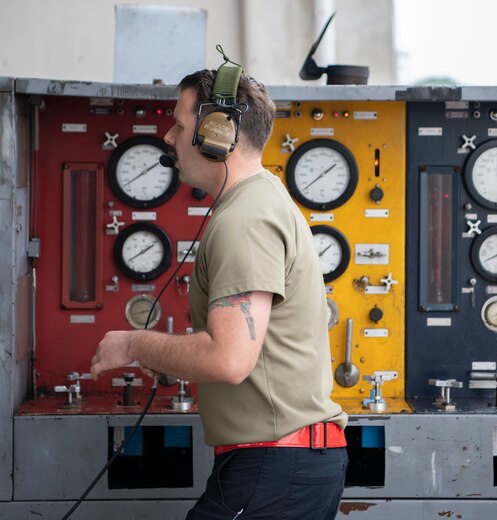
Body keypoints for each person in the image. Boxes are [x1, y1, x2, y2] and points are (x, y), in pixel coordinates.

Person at [90, 69, 348, 519]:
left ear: (217, 132)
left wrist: (133, 344)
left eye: (178, 125)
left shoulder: (245, 219)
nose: (168, 137)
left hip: (274, 464)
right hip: (281, 462)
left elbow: (229, 360)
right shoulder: (260, 199)